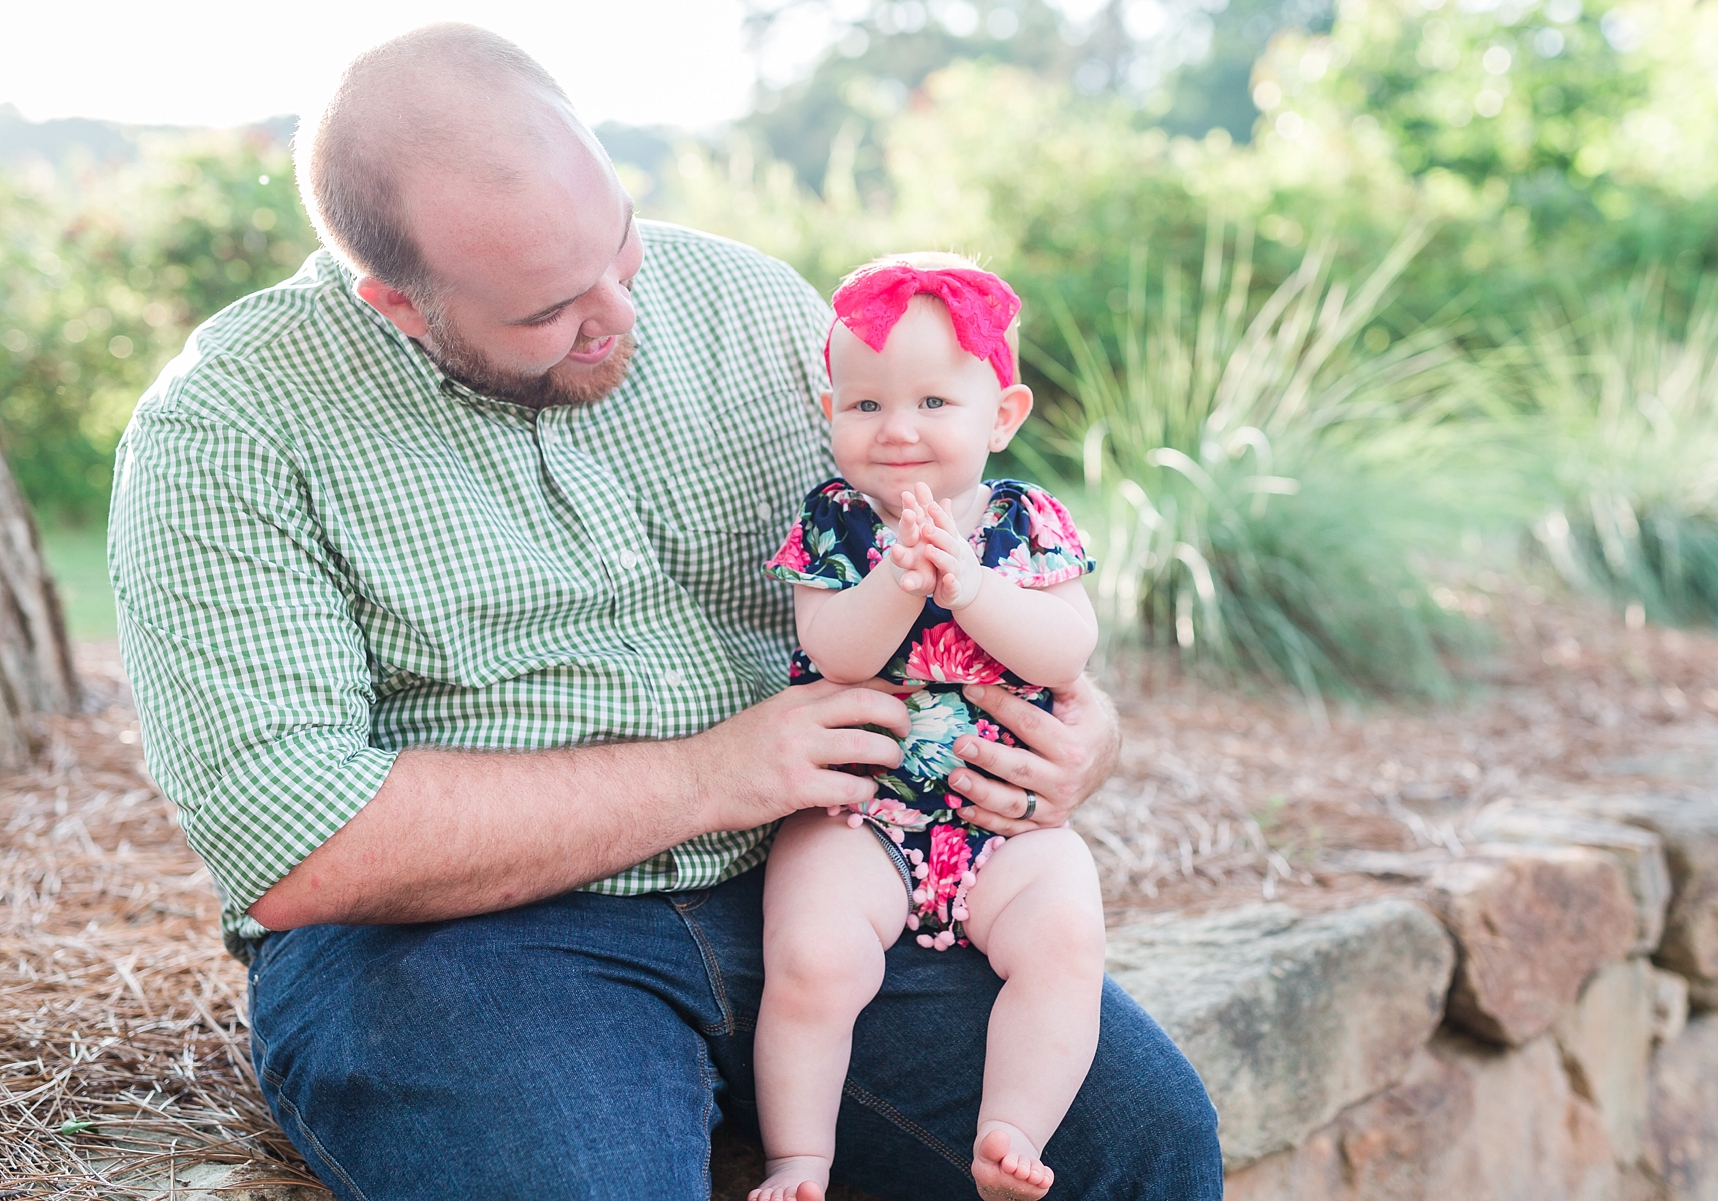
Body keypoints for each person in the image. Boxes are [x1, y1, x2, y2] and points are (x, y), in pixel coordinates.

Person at [107, 22, 1224, 1201]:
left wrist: (1080, 726)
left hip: (849, 861)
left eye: (621, 250)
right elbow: (294, 839)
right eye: (550, 312)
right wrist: (712, 776)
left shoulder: (749, 304)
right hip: (468, 943)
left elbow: (951, 542)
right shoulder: (225, 430)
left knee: (1137, 1143)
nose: (620, 315)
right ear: (398, 301)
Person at [752, 255, 1104, 1201]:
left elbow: (1066, 651)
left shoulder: (1026, 522)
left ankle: (1011, 1131)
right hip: (860, 821)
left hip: (1004, 829)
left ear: (1003, 415)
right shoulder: (835, 523)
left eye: (934, 403)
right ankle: (799, 1160)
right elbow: (834, 653)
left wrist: (970, 586)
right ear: (830, 412)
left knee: (1066, 936)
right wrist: (896, 581)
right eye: (863, 405)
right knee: (812, 956)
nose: (896, 428)